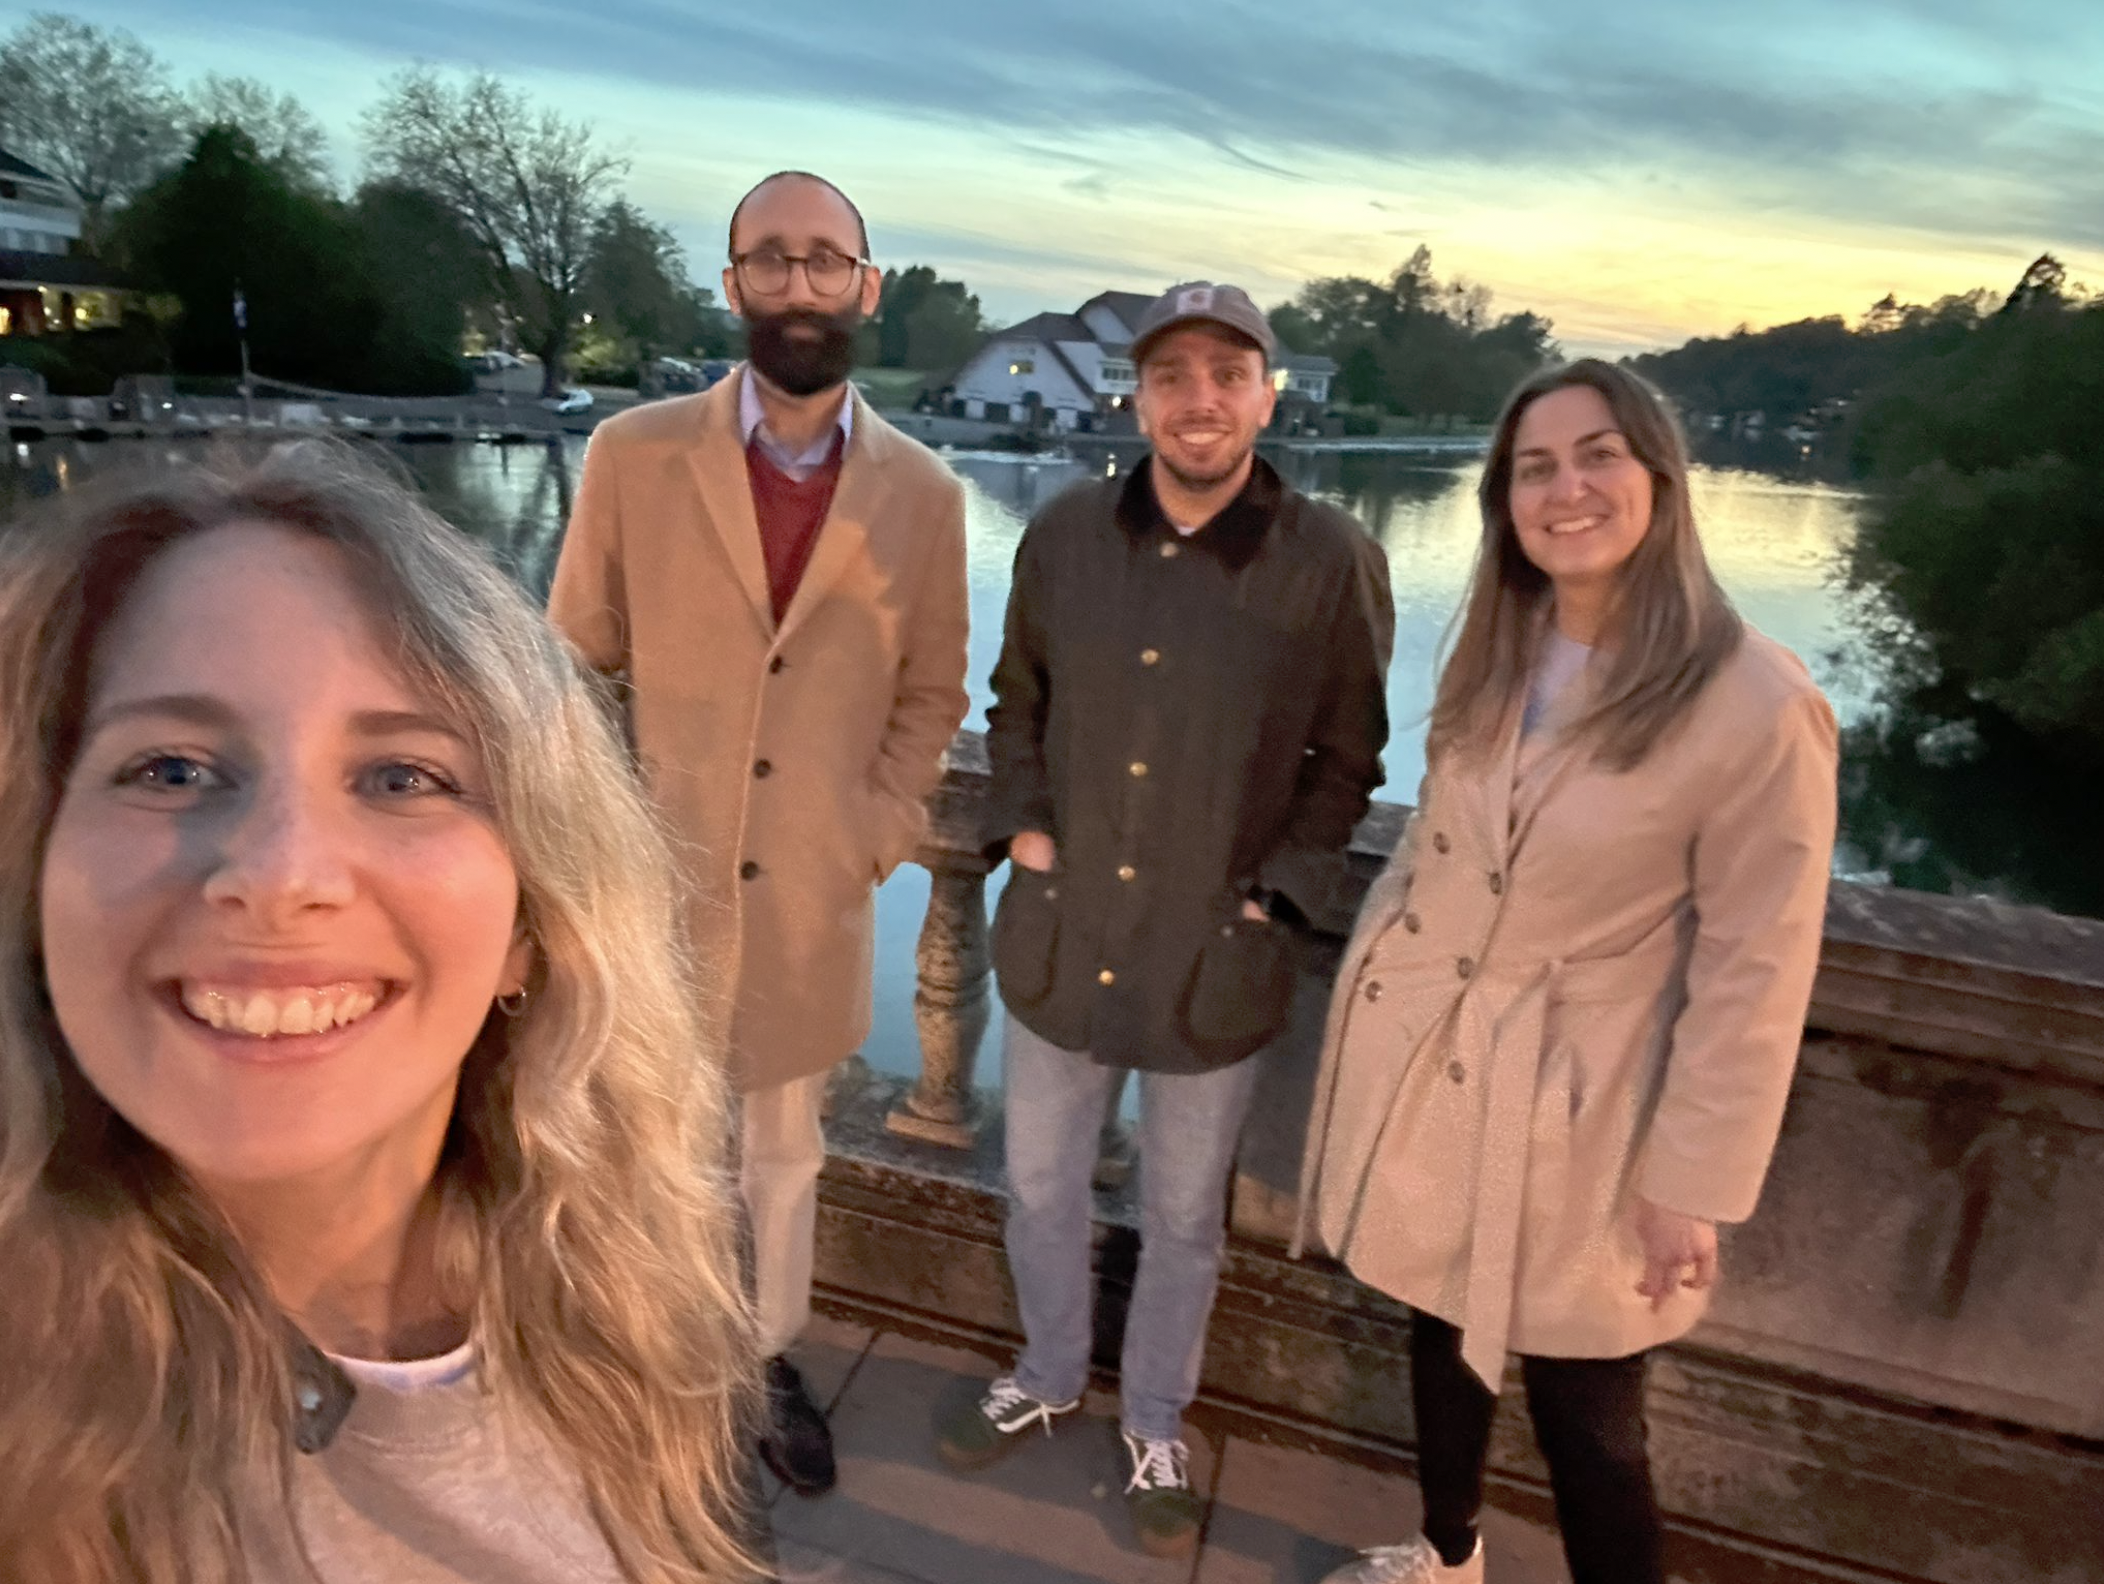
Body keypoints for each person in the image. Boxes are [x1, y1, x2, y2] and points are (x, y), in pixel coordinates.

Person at [0, 445, 763, 1583]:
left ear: (531, 923)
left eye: (403, 777)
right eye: (169, 769)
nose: (280, 874)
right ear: (32, 874)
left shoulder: (618, 1288)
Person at [1295, 359, 1839, 1584]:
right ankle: (1448, 1557)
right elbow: (1439, 854)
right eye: (1534, 468)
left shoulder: (1756, 702)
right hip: (1444, 1067)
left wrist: (1691, 1180)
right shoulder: (1500, 652)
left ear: (1660, 479)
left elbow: (1758, 968)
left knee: (1590, 1417)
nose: (1567, 489)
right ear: (1505, 500)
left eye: (1599, 456)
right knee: (1441, 1326)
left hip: (1593, 1107)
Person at [937, 282, 1393, 1558]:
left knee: (1186, 1219)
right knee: (1039, 1185)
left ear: (1267, 396)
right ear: (1135, 397)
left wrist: (1277, 893)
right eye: (1173, 375)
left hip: (1215, 946)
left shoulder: (1331, 557)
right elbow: (1016, 700)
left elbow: (1349, 757)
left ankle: (1154, 1420)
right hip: (1068, 925)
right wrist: (1024, 830)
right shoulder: (1066, 534)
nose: (1200, 399)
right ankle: (1047, 1371)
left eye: (1227, 374)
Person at [548, 170, 971, 1497]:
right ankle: (654, 1363)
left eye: (826, 260)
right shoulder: (634, 455)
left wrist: (874, 834)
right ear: (731, 281)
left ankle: (767, 1360)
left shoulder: (926, 493)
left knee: (783, 1158)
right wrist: (598, 843)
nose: (800, 284)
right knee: (642, 1149)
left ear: (867, 286)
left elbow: (934, 693)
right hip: (651, 890)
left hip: (807, 900)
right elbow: (572, 666)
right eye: (772, 259)